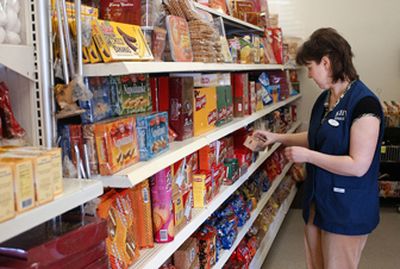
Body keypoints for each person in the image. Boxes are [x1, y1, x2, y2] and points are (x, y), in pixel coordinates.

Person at [254, 28, 384, 269]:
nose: (310, 75)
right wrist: (277, 137)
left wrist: (309, 157)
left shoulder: (365, 103)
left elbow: (358, 165)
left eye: (310, 68)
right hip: (319, 202)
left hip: (346, 211)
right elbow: (317, 137)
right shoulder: (325, 100)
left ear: (326, 62)